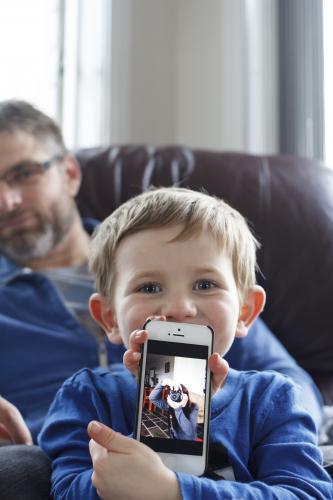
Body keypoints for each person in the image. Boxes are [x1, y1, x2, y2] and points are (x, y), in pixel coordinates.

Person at [38, 187, 332, 498]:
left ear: (245, 312)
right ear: (109, 317)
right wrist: (160, 424)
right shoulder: (87, 396)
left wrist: (172, 491)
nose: (179, 308)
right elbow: (66, 491)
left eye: (205, 285)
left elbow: (306, 494)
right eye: (149, 287)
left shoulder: (272, 400)